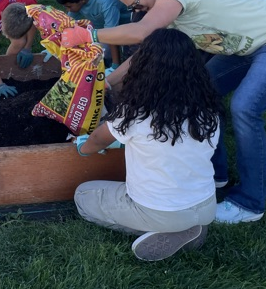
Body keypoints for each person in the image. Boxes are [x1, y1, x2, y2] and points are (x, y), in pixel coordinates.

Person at [62, 0, 266, 224]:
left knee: (245, 108)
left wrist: (89, 35)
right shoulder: (168, 18)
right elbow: (144, 53)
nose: (138, 10)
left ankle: (250, 202)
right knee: (202, 94)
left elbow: (141, 31)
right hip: (247, 46)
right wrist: (107, 83)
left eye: (137, 3)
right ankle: (216, 175)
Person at [74, 29, 222, 261]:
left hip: (159, 211)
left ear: (144, 65)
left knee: (83, 196)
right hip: (205, 206)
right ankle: (189, 229)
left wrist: (82, 148)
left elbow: (97, 140)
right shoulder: (208, 110)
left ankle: (166, 231)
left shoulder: (135, 111)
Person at [55, 0, 131, 70]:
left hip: (127, 24)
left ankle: (113, 68)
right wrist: (55, 45)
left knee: (121, 54)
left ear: (82, 0)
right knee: (94, 51)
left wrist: (115, 66)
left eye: (69, 7)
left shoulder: (105, 0)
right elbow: (68, 23)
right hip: (105, 25)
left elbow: (112, 34)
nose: (67, 9)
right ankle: (104, 66)